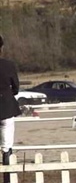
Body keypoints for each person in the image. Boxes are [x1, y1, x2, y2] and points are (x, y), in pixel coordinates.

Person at [0, 35, 21, 183]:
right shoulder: (8, 65)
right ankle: (7, 178)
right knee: (7, 145)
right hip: (6, 106)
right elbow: (16, 88)